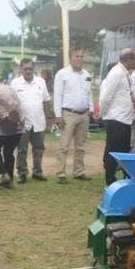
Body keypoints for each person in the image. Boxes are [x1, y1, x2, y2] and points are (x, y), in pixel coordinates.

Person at [53, 46, 94, 184]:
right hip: (68, 114)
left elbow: (89, 94)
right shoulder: (62, 74)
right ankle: (61, 173)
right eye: (77, 56)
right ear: (71, 58)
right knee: (64, 145)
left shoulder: (87, 74)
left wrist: (91, 109)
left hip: (84, 114)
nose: (79, 59)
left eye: (81, 56)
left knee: (81, 146)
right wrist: (58, 116)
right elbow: (57, 95)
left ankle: (79, 171)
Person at [99, 48, 135, 186]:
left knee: (123, 150)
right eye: (134, 59)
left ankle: (121, 177)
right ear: (128, 59)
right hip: (116, 119)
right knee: (113, 150)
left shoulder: (124, 73)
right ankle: (109, 179)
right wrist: (102, 113)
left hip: (124, 119)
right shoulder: (116, 73)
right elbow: (106, 96)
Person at [11, 58, 50, 183]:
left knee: (39, 148)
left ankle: (37, 172)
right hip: (21, 123)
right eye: (25, 68)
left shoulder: (40, 82)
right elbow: (11, 104)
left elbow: (45, 101)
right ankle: (22, 173)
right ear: (21, 69)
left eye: (30, 68)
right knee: (22, 149)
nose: (28, 71)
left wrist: (48, 118)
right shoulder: (15, 83)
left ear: (34, 69)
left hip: (38, 121)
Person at [0, 69, 24, 188]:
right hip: (19, 126)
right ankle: (9, 179)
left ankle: (4, 173)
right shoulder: (10, 87)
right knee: (8, 152)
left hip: (6, 126)